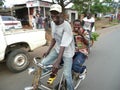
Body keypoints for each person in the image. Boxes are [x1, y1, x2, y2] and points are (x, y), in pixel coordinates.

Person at [40, 4, 75, 90]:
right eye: (52, 13)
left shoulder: (66, 26)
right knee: (43, 63)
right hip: (58, 49)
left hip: (67, 52)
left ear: (61, 14)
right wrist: (48, 50)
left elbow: (63, 45)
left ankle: (71, 88)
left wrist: (57, 61)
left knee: (67, 74)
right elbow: (54, 39)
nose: (54, 15)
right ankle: (52, 74)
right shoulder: (52, 23)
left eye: (56, 13)